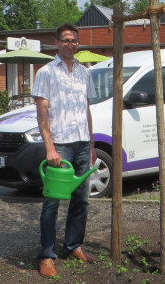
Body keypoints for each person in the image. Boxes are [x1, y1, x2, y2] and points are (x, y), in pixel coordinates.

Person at [32, 23, 98, 278]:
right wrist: (50, 148)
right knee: (52, 203)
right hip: (60, 146)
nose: (70, 44)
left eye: (74, 40)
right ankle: (46, 256)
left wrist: (91, 144)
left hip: (82, 144)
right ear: (57, 43)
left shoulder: (84, 73)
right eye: (66, 40)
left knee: (81, 199)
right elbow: (42, 112)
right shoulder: (46, 73)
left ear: (78, 43)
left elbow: (86, 110)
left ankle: (73, 245)